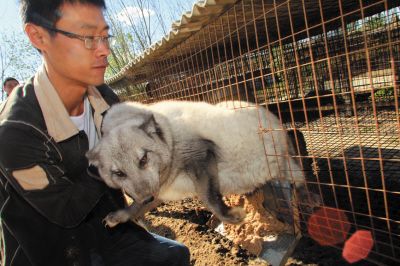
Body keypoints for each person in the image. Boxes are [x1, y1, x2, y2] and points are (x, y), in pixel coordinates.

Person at [0, 0, 190, 265]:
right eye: (88, 37)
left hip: (107, 232)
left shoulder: (101, 95)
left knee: (175, 256)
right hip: (50, 252)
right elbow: (66, 211)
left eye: (104, 36)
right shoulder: (16, 131)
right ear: (38, 36)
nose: (104, 50)